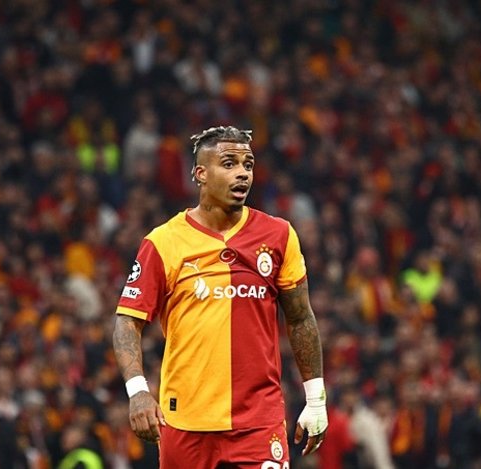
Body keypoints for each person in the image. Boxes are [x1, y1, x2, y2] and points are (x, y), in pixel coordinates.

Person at [113, 126, 328, 468]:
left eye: (248, 164)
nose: (243, 173)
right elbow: (127, 321)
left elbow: (301, 317)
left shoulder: (278, 235)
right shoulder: (163, 242)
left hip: (258, 423)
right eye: (229, 164)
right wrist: (138, 391)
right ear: (200, 174)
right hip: (185, 423)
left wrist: (316, 398)